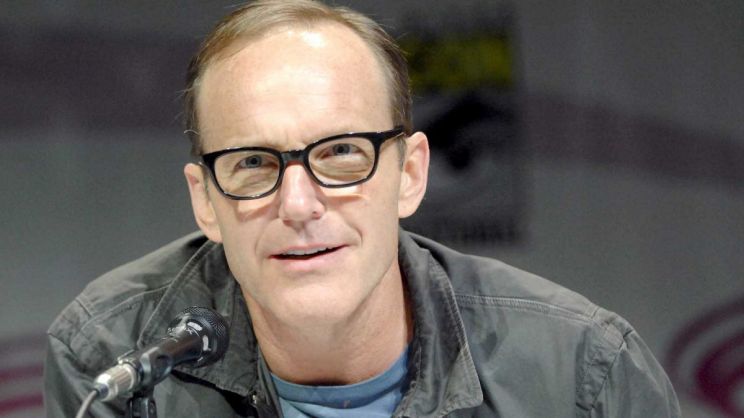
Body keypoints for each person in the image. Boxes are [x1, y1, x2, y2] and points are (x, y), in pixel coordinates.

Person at [44, 0, 681, 416]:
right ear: (205, 201)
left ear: (411, 174)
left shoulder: (581, 375)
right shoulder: (112, 355)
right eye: (253, 162)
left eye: (342, 153)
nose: (298, 205)